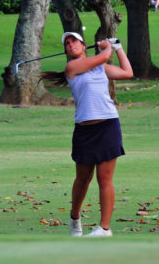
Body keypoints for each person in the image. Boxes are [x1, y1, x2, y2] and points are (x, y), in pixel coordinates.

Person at [50, 32, 133, 237]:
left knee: (104, 179)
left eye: (74, 41)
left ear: (83, 45)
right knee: (82, 179)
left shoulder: (101, 68)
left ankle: (104, 228)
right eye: (67, 44)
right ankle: (75, 217)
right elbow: (104, 56)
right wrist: (107, 47)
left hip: (108, 124)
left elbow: (127, 72)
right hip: (85, 129)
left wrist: (118, 47)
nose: (70, 45)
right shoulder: (72, 68)